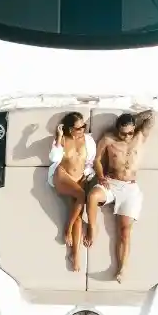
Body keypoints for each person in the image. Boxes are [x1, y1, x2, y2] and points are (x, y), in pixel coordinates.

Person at [91, 109, 154, 283]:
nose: (127, 137)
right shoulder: (108, 139)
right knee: (93, 196)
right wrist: (100, 176)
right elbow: (97, 159)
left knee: (125, 231)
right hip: (111, 182)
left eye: (130, 133)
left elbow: (151, 115)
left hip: (130, 187)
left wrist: (132, 120)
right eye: (123, 133)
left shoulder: (139, 137)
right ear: (117, 129)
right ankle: (92, 228)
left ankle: (122, 269)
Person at [48, 112, 97, 272]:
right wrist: (58, 137)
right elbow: (54, 158)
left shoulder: (88, 141)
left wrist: (87, 176)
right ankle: (67, 230)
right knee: (81, 196)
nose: (83, 129)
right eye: (79, 128)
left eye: (84, 126)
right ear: (70, 129)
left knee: (78, 216)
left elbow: (89, 162)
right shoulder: (62, 139)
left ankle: (75, 255)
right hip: (63, 176)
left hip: (79, 178)